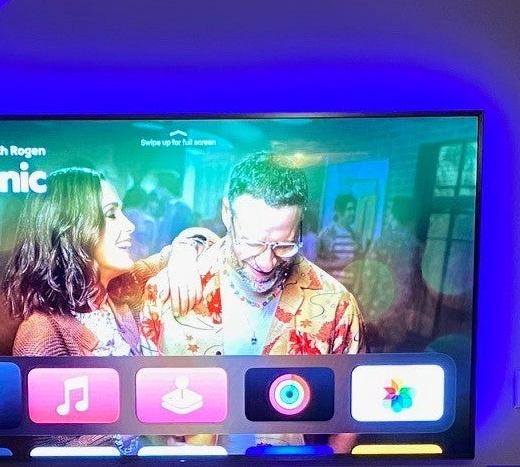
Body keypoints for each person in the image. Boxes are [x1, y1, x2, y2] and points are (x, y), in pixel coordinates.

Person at [142, 152, 363, 360]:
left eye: (284, 245)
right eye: (252, 243)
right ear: (227, 214)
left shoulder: (337, 307)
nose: (267, 264)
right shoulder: (163, 294)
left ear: (300, 225)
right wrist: (187, 245)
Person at [6, 168, 154, 358]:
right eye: (111, 214)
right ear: (72, 230)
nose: (129, 226)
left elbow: (178, 250)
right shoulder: (41, 337)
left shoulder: (124, 286)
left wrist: (183, 254)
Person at [312, 194, 361, 277]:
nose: (353, 213)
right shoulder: (326, 234)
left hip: (351, 283)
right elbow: (316, 263)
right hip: (333, 282)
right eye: (349, 209)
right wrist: (340, 263)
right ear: (339, 211)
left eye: (354, 209)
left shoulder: (355, 235)